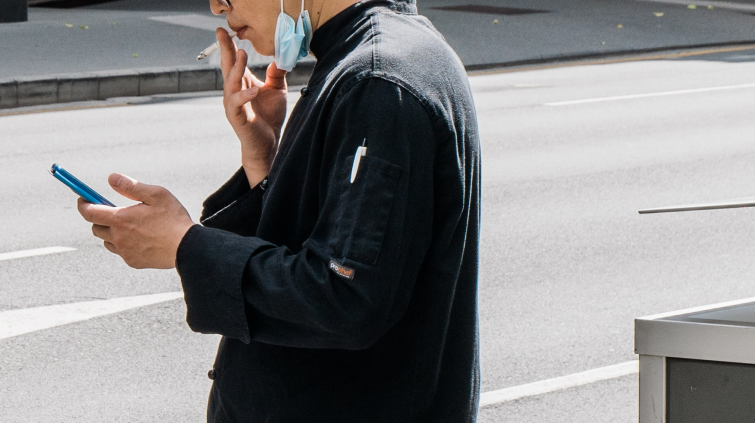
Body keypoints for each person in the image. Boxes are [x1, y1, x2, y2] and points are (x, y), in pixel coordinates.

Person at [77, 0, 481, 420]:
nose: (218, 6)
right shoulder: (374, 59)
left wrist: (185, 245)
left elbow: (347, 297)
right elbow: (322, 243)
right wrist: (264, 158)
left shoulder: (377, 81)